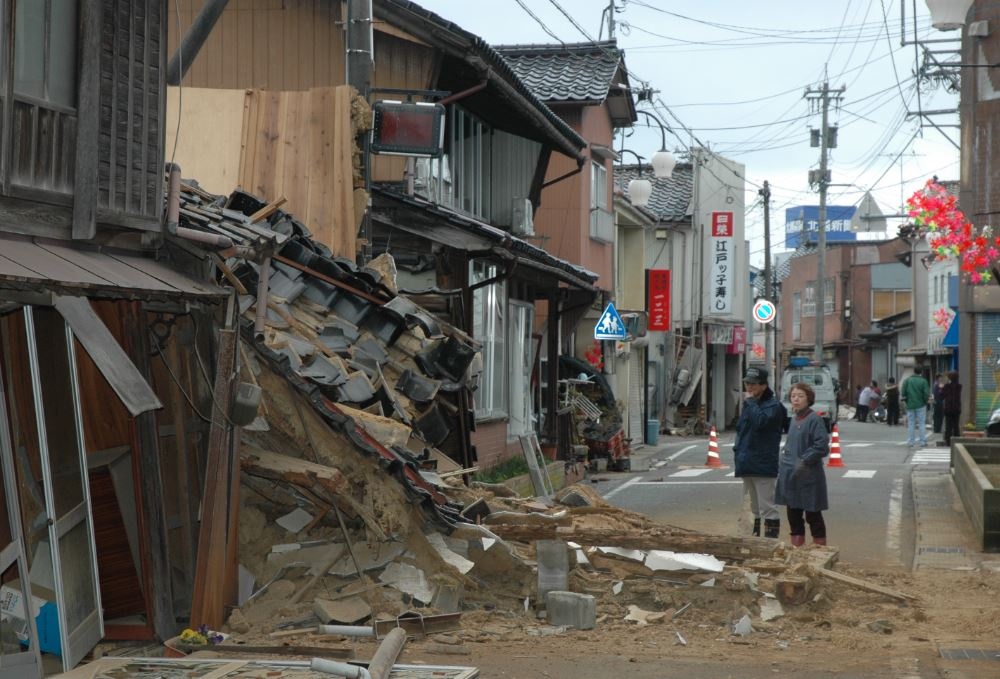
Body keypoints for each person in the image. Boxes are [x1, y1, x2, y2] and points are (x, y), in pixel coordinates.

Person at [733, 366, 787, 539]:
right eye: (747, 383)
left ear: (764, 385)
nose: (749, 388)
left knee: (767, 507)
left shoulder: (773, 406)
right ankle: (753, 544)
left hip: (763, 464)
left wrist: (751, 403)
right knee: (752, 508)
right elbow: (741, 430)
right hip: (746, 462)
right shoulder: (751, 404)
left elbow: (761, 423)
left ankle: (770, 545)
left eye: (753, 384)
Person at [774, 382, 830, 546]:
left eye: (800, 396)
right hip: (791, 474)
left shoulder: (814, 419)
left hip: (809, 475)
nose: (796, 399)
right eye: (793, 396)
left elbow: (821, 446)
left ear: (809, 399)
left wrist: (805, 460)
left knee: (813, 513)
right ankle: (797, 547)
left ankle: (820, 549)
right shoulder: (794, 419)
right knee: (793, 513)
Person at [902, 367, 931, 447]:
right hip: (921, 405)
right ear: (920, 372)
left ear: (914, 372)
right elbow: (926, 393)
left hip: (910, 405)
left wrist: (907, 401)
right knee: (921, 423)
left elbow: (903, 392)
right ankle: (922, 442)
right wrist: (925, 401)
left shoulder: (907, 381)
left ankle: (911, 442)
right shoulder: (923, 381)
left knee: (911, 423)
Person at [941, 371, 962, 446]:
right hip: (956, 408)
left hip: (948, 409)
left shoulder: (946, 386)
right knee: (956, 426)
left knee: (948, 426)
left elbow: (941, 395)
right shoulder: (959, 386)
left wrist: (943, 385)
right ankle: (957, 441)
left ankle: (948, 442)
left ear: (949, 378)